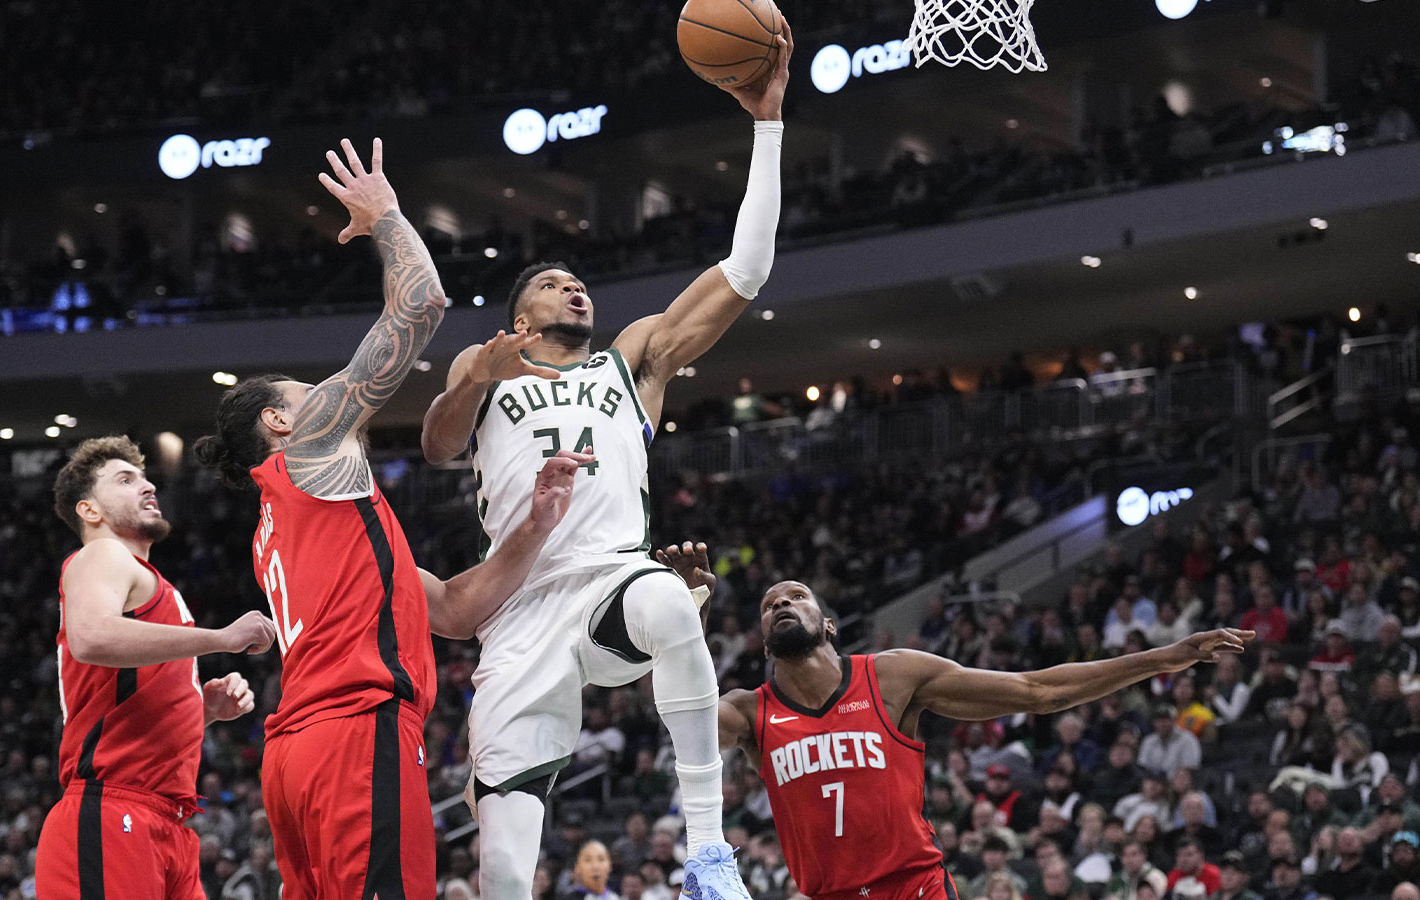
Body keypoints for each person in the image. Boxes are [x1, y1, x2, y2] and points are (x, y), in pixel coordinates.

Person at [415, 24, 794, 900]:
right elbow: (436, 445)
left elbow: (748, 268)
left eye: (579, 283)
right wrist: (472, 377)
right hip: (516, 608)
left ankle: (708, 852)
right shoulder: (489, 368)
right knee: (502, 863)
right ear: (520, 318)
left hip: (610, 579)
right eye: (554, 284)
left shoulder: (632, 362)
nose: (575, 288)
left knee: (669, 602)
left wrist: (767, 123)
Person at [193, 139, 591, 900]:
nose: (334, 393)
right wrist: (386, 217)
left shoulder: (298, 526)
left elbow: (456, 610)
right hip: (355, 734)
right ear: (281, 422)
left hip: (296, 754)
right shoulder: (310, 449)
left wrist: (537, 524)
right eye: (312, 390)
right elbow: (422, 305)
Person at [663, 546, 1252, 900]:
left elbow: (1038, 690)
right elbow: (681, 714)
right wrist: (690, 614)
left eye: (795, 596)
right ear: (764, 641)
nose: (781, 604)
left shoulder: (892, 677)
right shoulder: (750, 710)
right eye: (769, 606)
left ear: (829, 624)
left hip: (915, 887)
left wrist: (1165, 657)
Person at [36, 436, 275, 900]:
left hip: (168, 820)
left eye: (145, 478)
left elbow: (121, 705)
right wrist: (220, 638)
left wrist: (201, 712)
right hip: (113, 809)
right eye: (125, 480)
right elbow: (92, 636)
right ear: (89, 510)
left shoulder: (151, 583)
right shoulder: (102, 554)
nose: (147, 487)